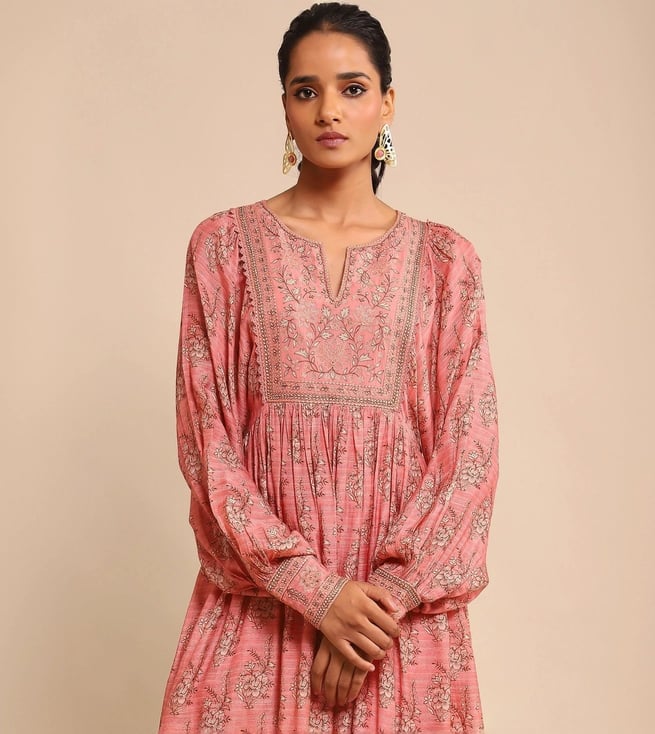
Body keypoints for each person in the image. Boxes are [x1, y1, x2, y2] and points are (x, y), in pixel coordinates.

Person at [157, 3, 499, 732]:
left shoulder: (446, 262)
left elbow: (469, 454)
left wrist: (375, 611)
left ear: (387, 103)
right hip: (259, 611)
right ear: (284, 105)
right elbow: (206, 441)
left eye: (352, 88)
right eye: (306, 91)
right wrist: (316, 594)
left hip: (397, 631)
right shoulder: (223, 248)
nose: (329, 111)